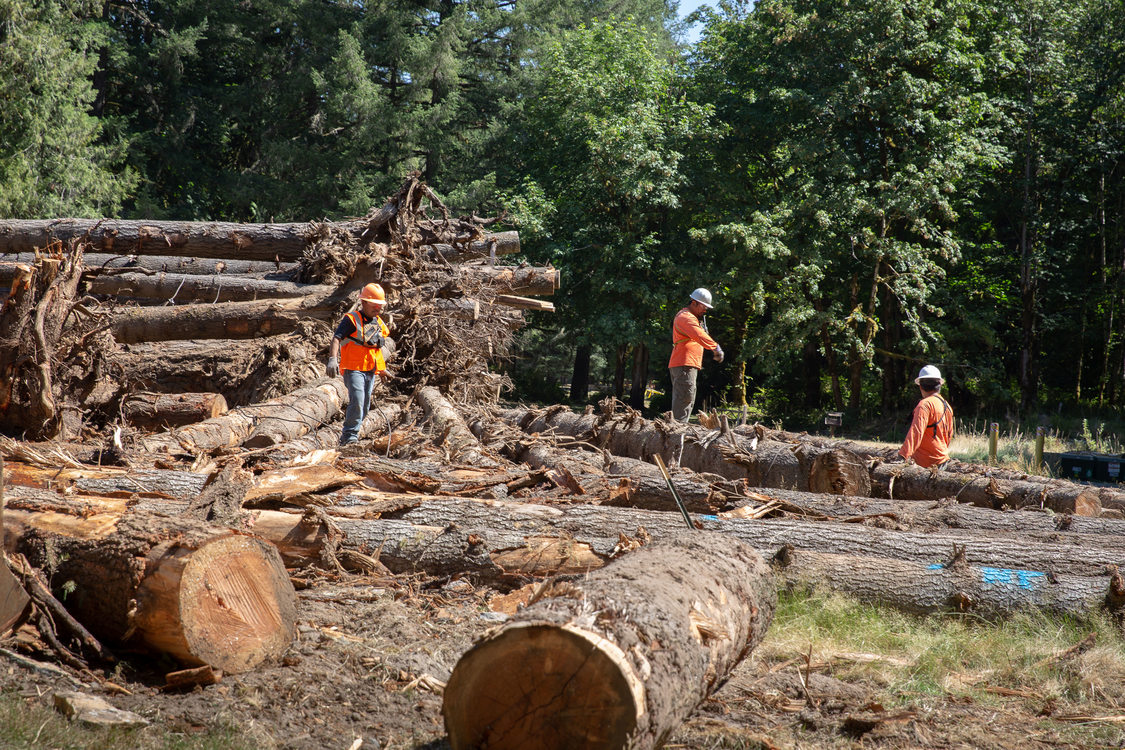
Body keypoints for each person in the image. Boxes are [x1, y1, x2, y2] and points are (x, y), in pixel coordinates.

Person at [327, 283, 391, 445]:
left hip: (370, 370)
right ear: (364, 302)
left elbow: (376, 350)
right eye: (375, 304)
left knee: (365, 405)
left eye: (380, 305)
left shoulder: (378, 323)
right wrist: (333, 359)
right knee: (357, 399)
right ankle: (349, 437)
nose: (378, 308)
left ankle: (351, 431)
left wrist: (382, 370)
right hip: (353, 368)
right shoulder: (351, 320)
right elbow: (336, 338)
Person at [668, 287, 724, 422]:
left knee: (685, 399)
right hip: (684, 364)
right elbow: (698, 335)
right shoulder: (686, 317)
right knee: (684, 398)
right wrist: (716, 347)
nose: (705, 310)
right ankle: (677, 435)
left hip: (685, 364)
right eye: (703, 306)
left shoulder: (689, 317)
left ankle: (676, 432)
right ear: (694, 303)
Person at [899, 364, 954, 468]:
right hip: (942, 460)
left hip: (926, 464)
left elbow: (916, 433)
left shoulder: (924, 405)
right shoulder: (946, 406)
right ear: (939, 385)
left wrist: (903, 456)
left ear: (920, 386)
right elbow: (949, 434)